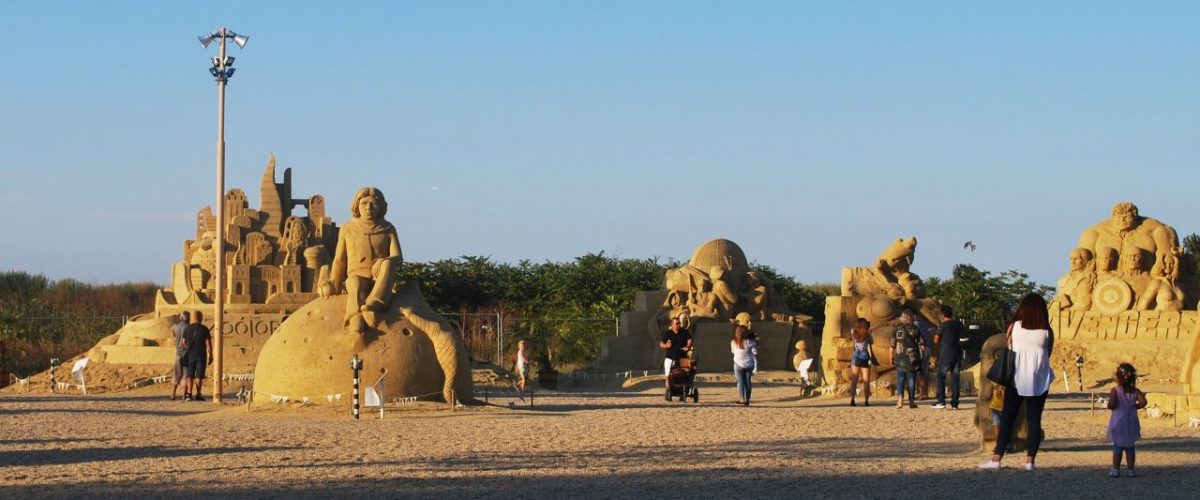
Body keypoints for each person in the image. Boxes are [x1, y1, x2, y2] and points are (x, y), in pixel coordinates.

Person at [982, 293, 1055, 471]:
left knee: (1007, 418)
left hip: (1016, 377)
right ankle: (1030, 461)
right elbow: (1048, 353)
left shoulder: (1014, 327)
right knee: (1034, 419)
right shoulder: (1046, 331)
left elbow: (1009, 349)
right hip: (1040, 378)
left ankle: (997, 458)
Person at [326, 187, 403, 333]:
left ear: (380, 207)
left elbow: (398, 257)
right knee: (354, 283)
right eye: (364, 203)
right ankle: (354, 317)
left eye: (374, 204)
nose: (369, 207)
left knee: (388, 263)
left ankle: (375, 303)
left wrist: (384, 260)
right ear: (357, 206)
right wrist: (334, 284)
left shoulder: (387, 228)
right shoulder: (348, 228)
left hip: (379, 276)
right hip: (357, 274)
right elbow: (339, 260)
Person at [1107, 363, 1147, 478]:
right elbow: (1143, 402)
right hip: (1131, 421)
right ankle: (1130, 470)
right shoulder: (1135, 391)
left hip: (1118, 421)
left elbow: (1112, 404)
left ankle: (1116, 469)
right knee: (1130, 447)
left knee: (1117, 446)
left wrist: (1109, 406)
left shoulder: (1115, 390)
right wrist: (1135, 407)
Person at [932, 306, 967, 409]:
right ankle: (955, 403)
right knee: (955, 378)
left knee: (941, 377)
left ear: (942, 315)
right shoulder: (959, 324)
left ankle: (941, 401)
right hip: (958, 353)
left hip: (946, 354)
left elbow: (936, 340)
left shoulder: (943, 326)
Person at [890, 310, 924, 409]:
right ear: (912, 318)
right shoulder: (916, 329)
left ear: (902, 318)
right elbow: (922, 345)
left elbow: (892, 345)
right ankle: (911, 401)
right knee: (911, 379)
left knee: (900, 378)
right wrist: (922, 355)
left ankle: (900, 400)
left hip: (900, 356)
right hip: (912, 357)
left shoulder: (896, 330)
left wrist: (890, 357)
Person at [182, 310, 214, 402]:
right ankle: (198, 394)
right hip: (201, 355)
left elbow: (183, 342)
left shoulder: (187, 328)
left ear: (193, 318)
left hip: (190, 355)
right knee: (199, 376)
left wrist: (188, 347)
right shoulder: (204, 328)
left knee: (190, 375)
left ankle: (189, 394)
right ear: (201, 318)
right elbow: (208, 343)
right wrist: (211, 354)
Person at [659, 314, 693, 397]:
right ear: (672, 325)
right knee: (668, 376)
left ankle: (684, 390)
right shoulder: (668, 333)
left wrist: (688, 347)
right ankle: (669, 391)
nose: (678, 325)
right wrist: (666, 345)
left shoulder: (684, 332)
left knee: (684, 374)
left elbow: (690, 340)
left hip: (682, 357)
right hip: (670, 357)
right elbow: (661, 343)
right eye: (676, 323)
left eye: (679, 323)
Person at [848, 318, 876, 407]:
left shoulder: (854, 334)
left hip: (855, 357)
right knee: (866, 380)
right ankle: (866, 401)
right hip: (865, 357)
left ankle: (852, 399)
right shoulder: (867, 335)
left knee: (854, 380)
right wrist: (869, 331)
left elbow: (852, 330)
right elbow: (872, 342)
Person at [731, 324, 757, 406]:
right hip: (749, 364)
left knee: (740, 382)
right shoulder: (750, 342)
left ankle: (742, 399)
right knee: (748, 382)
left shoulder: (734, 342)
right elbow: (755, 352)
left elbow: (733, 351)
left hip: (738, 364)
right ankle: (747, 399)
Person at [170, 311, 191, 401]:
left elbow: (172, 334)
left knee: (176, 374)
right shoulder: (189, 328)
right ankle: (184, 395)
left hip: (178, 353)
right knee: (186, 375)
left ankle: (173, 395)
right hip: (187, 354)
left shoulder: (175, 327)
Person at [914, 315, 934, 400]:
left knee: (921, 372)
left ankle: (923, 393)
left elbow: (919, 338)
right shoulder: (926, 324)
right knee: (924, 371)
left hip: (921, 349)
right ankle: (923, 392)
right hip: (928, 348)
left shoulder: (915, 324)